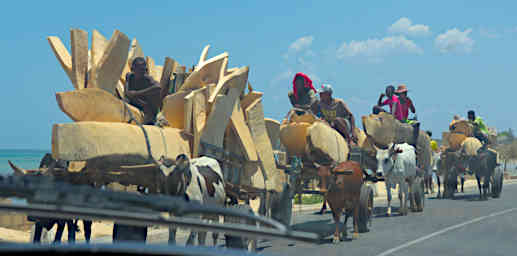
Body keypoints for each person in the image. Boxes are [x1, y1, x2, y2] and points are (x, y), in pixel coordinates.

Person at [124, 57, 162, 125]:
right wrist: (132, 95)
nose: (143, 72)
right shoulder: (129, 76)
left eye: (144, 70)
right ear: (133, 69)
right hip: (134, 102)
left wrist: (137, 93)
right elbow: (127, 93)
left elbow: (158, 87)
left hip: (146, 105)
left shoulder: (147, 79)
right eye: (140, 70)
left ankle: (151, 117)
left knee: (155, 93)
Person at [395, 85, 420, 150]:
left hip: (406, 120)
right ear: (399, 94)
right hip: (397, 120)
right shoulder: (396, 101)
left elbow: (413, 110)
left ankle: (414, 143)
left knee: (416, 124)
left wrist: (411, 105)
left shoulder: (408, 100)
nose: (405, 94)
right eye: (403, 93)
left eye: (405, 93)